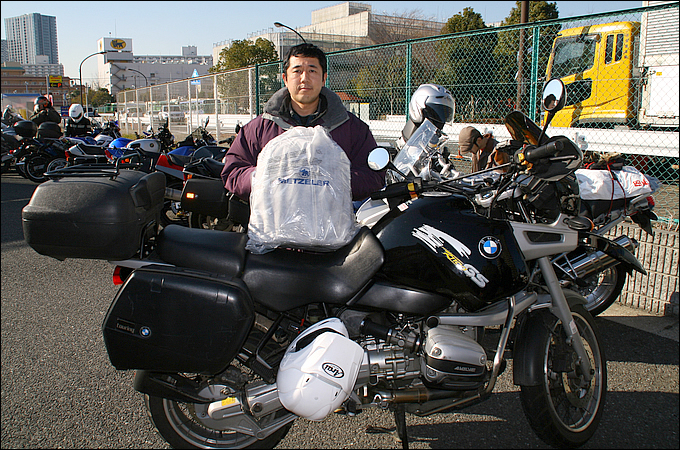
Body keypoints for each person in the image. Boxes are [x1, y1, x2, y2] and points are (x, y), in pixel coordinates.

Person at [221, 43, 385, 202]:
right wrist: (269, 175)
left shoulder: (351, 128)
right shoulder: (259, 128)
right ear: (285, 78)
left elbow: (374, 176)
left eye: (312, 71)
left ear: (323, 78)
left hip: (331, 228)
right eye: (297, 71)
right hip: (275, 227)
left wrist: (329, 179)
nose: (304, 78)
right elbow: (233, 173)